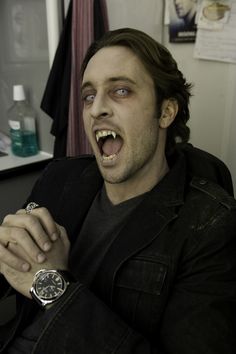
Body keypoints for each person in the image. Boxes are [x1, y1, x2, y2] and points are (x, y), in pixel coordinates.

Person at [0, 27, 236, 353]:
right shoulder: (60, 178)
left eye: (121, 91)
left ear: (166, 112)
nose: (96, 109)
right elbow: (11, 267)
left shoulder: (209, 226)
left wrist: (50, 286)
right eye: (88, 96)